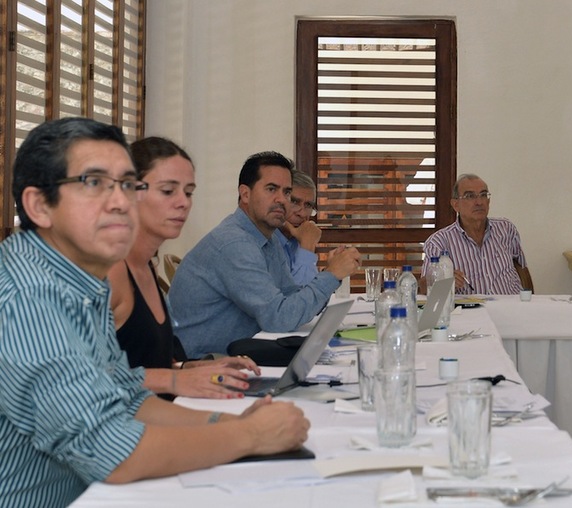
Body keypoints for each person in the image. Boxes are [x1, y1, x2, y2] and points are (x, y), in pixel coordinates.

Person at [0, 118, 309, 508]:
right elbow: (110, 450)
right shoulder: (27, 297)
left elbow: (126, 396)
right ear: (39, 205)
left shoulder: (79, 280)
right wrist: (252, 437)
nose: (120, 201)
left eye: (127, 185)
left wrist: (234, 423)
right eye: (95, 183)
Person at [107, 136, 261, 400]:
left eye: (188, 192)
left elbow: (143, 362)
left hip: (160, 412)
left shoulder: (146, 266)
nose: (184, 202)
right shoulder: (109, 272)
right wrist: (178, 378)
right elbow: (82, 379)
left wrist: (196, 367)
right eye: (168, 191)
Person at [168, 151, 361, 358]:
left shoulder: (266, 237)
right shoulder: (234, 243)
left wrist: (329, 273)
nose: (282, 200)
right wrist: (331, 276)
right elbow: (279, 318)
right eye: (271, 189)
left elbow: (290, 296)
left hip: (240, 353)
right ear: (245, 194)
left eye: (287, 192)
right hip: (203, 364)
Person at [421, 174, 527, 295]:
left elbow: (522, 268)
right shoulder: (439, 242)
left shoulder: (506, 228)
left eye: (483, 195)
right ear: (455, 205)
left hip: (511, 306)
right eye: (470, 196)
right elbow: (424, 287)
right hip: (470, 310)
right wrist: (444, 282)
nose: (479, 202)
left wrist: (528, 298)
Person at [274, 170, 321, 285]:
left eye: (308, 205)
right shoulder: (266, 241)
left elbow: (312, 297)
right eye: (294, 202)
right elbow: (297, 298)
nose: (303, 214)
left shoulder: (297, 239)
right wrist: (307, 247)